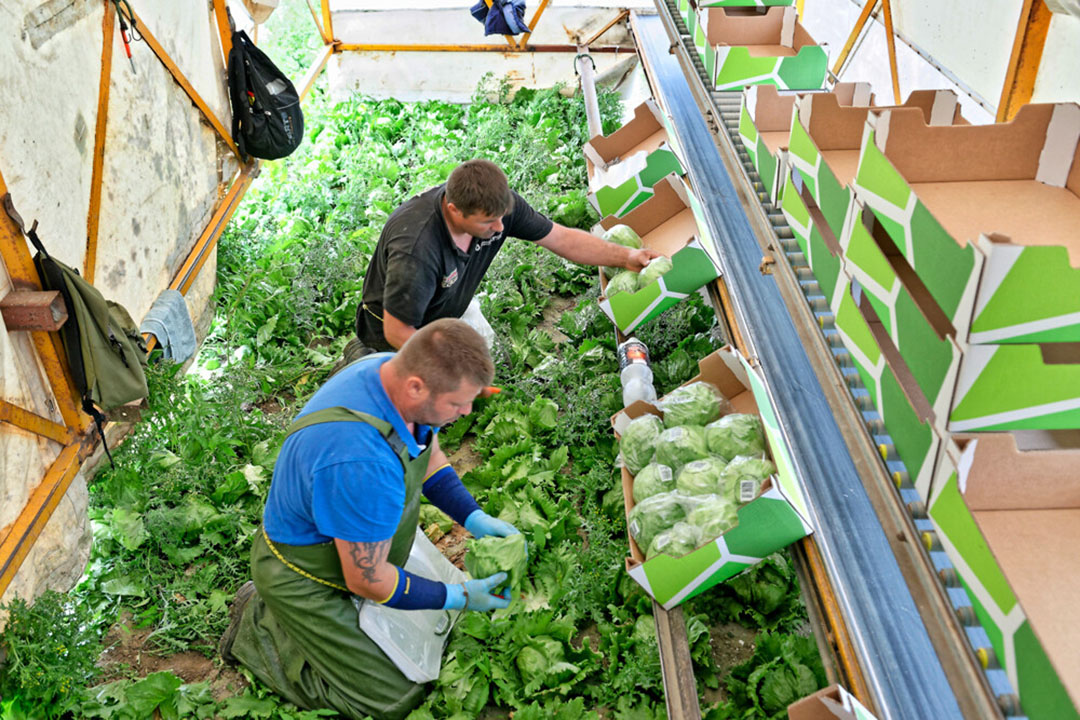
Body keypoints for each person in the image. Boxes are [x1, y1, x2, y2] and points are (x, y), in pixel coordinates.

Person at [220, 319, 521, 720]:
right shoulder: (360, 463)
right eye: (458, 403)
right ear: (417, 386)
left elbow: (425, 450)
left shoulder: (389, 373)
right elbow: (367, 579)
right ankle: (258, 626)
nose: (465, 412)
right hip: (305, 572)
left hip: (357, 539)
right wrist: (460, 597)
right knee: (391, 698)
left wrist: (472, 515)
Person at [352, 158, 661, 355]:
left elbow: (562, 238)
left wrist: (626, 257)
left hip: (447, 303)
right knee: (431, 407)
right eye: (488, 223)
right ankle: (363, 356)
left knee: (482, 363)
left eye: (502, 217)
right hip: (397, 329)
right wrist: (444, 363)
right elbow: (397, 331)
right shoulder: (417, 252)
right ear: (453, 211)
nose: (500, 228)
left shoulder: (499, 208)